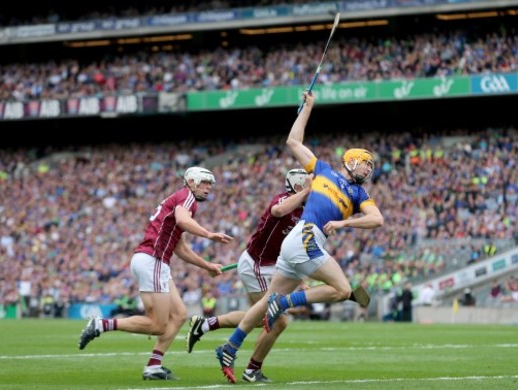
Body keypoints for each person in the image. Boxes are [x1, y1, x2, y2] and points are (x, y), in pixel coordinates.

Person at [214, 90, 384, 383]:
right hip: (305, 236)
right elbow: (293, 141)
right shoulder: (323, 171)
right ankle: (285, 302)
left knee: (268, 298)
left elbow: (377, 219)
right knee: (342, 290)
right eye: (365, 163)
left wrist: (345, 225)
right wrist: (308, 107)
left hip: (303, 242)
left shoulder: (359, 194)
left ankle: (230, 346)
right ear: (351, 161)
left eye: (371, 166)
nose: (368, 169)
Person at [77, 166, 233, 381]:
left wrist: (207, 266)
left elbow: (180, 248)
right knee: (158, 325)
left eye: (210, 184)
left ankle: (153, 366)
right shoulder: (187, 197)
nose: (208, 188)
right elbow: (182, 220)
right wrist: (209, 234)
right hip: (153, 260)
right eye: (204, 182)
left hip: (152, 261)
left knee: (179, 314)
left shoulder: (179, 199)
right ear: (191, 181)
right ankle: (102, 324)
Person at [186, 168, 312, 383]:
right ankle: (252, 369)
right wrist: (308, 190)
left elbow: (295, 250)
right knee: (278, 320)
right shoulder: (282, 200)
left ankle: (206, 325)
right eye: (310, 188)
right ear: (300, 187)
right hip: (257, 265)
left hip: (273, 266)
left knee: (258, 318)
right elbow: (279, 211)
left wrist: (301, 279)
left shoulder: (306, 212)